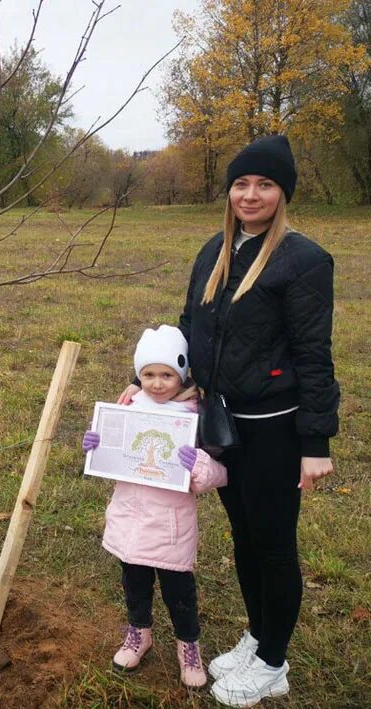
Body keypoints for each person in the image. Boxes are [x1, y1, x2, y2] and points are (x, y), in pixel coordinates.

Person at [118, 135, 339, 707]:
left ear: (282, 193)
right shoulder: (214, 251)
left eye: (265, 184)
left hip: (274, 428)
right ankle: (257, 635)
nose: (251, 194)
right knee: (243, 536)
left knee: (272, 543)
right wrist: (156, 382)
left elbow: (315, 355)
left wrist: (315, 442)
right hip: (219, 426)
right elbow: (190, 326)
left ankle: (272, 663)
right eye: (241, 183)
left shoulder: (305, 260)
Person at [83, 325, 227, 688]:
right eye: (148, 374)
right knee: (134, 583)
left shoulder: (195, 415)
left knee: (178, 591)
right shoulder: (128, 408)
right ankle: (139, 633)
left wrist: (197, 464)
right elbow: (113, 455)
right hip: (129, 520)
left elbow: (220, 474)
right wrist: (97, 444)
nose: (157, 383)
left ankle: (188, 645)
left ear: (182, 373)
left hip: (171, 525)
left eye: (167, 375)